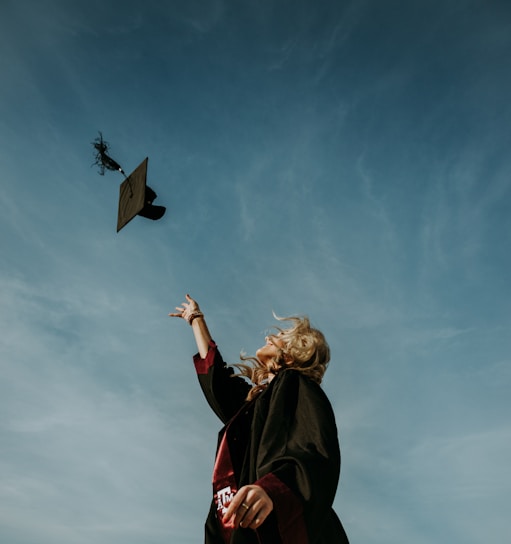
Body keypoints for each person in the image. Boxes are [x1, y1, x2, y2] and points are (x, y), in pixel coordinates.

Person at [170, 294, 349, 544]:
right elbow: (219, 384)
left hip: (277, 522)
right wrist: (196, 319)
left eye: (278, 338)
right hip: (244, 522)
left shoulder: (297, 385)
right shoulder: (255, 404)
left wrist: (273, 489)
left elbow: (315, 451)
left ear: (292, 354)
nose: (268, 337)